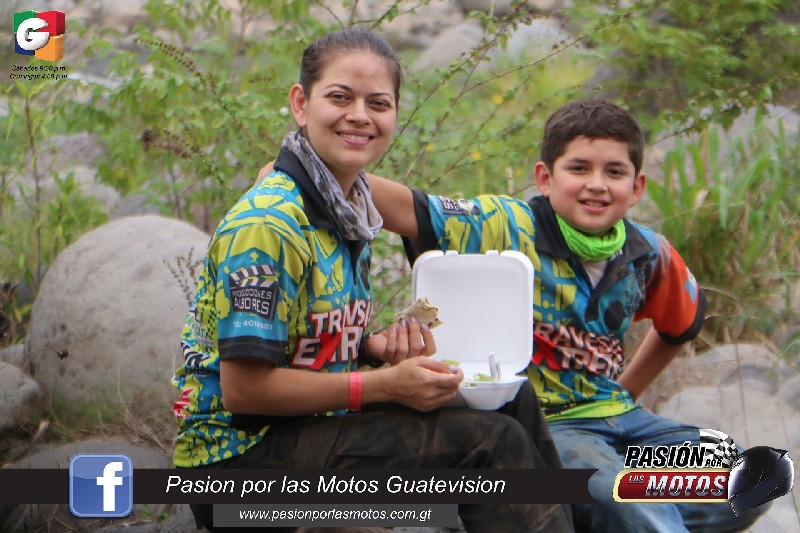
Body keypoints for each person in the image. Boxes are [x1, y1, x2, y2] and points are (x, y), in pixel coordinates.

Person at [172, 28, 572, 533]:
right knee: (491, 444)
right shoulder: (269, 225)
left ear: (395, 115)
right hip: (235, 465)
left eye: (378, 103)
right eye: (340, 97)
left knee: (514, 399)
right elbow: (245, 391)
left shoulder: (348, 209)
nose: (360, 115)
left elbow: (299, 342)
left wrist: (371, 348)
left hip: (305, 434)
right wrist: (382, 386)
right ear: (301, 104)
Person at [360, 100, 768, 532]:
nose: (597, 184)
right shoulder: (506, 225)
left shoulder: (649, 252)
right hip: (551, 428)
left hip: (625, 422)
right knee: (629, 501)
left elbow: (681, 326)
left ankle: (592, 516)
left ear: (636, 187)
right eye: (579, 168)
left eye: (614, 172)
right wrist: (315, 170)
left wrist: (625, 391)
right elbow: (403, 208)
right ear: (545, 177)